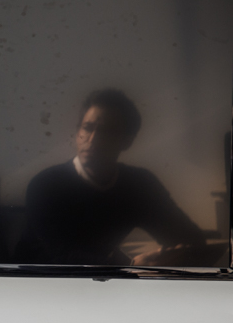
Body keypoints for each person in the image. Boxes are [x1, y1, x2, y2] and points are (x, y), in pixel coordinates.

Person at [16, 89, 205, 266]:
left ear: (127, 141)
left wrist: (174, 253)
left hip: (103, 282)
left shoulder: (139, 184)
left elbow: (188, 236)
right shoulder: (46, 184)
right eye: (87, 128)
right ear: (77, 132)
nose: (92, 139)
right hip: (37, 284)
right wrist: (129, 265)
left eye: (106, 131)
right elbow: (62, 255)